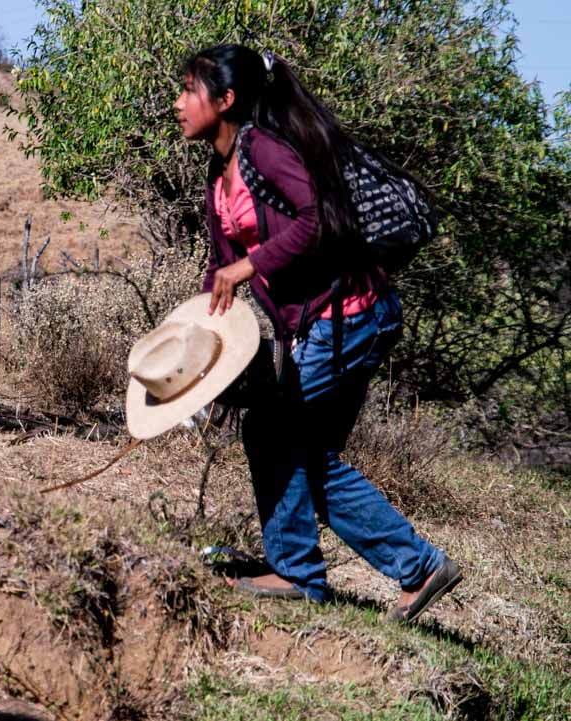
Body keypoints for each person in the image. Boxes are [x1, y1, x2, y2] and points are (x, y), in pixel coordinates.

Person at [173, 44, 461, 621]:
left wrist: (249, 267)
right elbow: (219, 267)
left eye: (188, 91)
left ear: (226, 100)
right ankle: (404, 568)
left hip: (352, 313)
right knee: (301, 450)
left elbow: (317, 220)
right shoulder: (218, 172)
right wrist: (202, 352)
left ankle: (310, 573)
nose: (177, 104)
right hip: (326, 322)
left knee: (283, 441)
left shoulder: (263, 149)